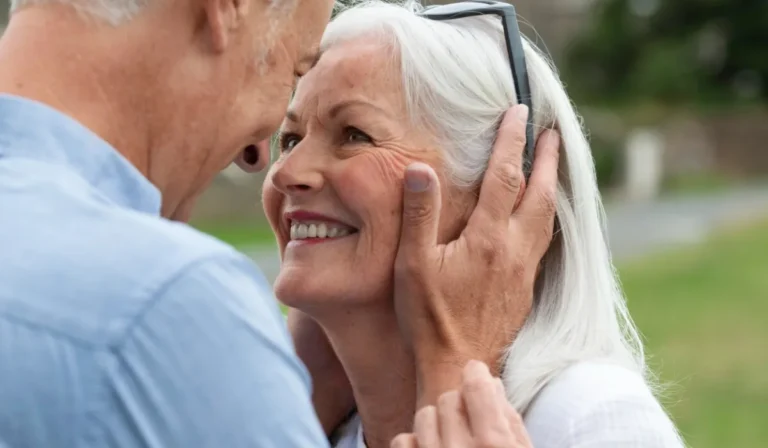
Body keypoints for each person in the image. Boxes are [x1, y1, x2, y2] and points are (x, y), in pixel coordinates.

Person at [0, 0, 557, 446]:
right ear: (225, 9)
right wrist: (455, 373)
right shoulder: (164, 306)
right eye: (292, 68)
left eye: (353, 135)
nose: (262, 160)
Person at [262, 1, 686, 447]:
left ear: (500, 194)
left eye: (354, 134)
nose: (287, 173)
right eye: (290, 140)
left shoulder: (587, 417)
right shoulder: (312, 424)